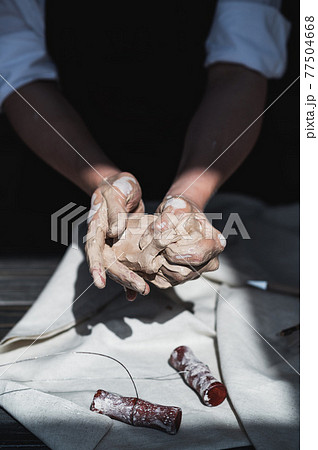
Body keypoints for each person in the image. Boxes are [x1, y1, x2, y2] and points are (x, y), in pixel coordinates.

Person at [0, 0, 290, 299]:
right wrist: (103, 180)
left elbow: (240, 69)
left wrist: (190, 194)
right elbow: (20, 78)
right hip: (64, 160)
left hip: (220, 150)